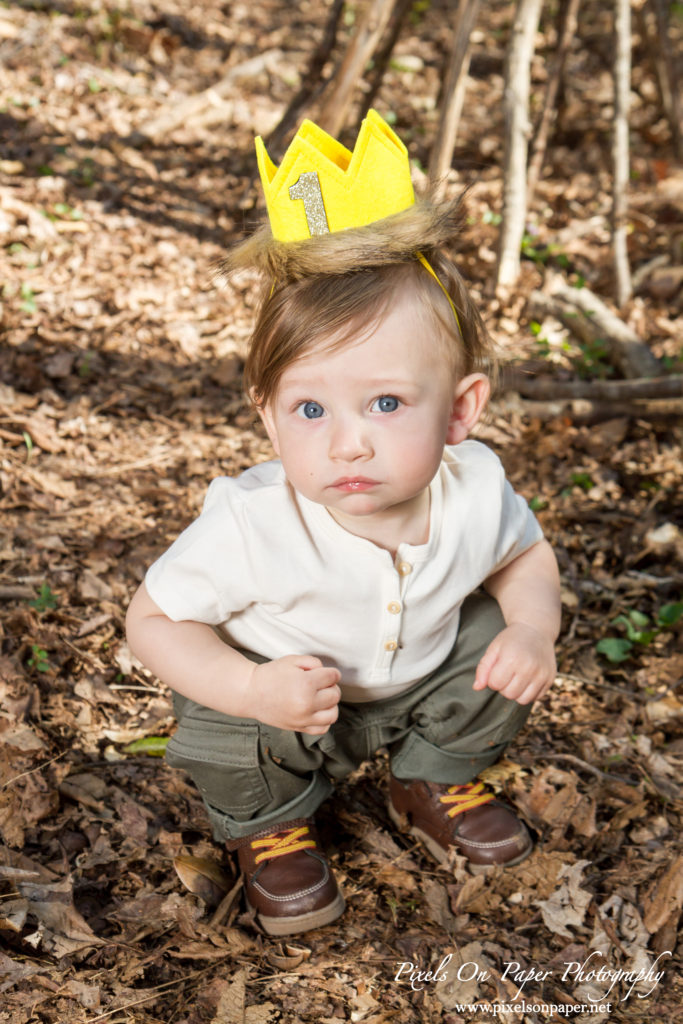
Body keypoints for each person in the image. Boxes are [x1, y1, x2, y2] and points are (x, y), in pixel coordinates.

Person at [126, 110, 561, 937]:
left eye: (387, 402)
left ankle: (430, 775)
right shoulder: (252, 522)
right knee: (229, 724)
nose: (347, 440)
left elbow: (523, 556)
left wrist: (533, 629)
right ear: (266, 414)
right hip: (289, 699)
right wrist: (249, 686)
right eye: (311, 407)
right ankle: (269, 825)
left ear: (460, 408)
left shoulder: (474, 489)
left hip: (422, 677)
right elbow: (150, 620)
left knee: (493, 635)